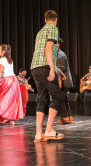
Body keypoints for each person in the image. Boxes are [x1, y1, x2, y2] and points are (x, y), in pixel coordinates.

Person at [31, 10, 66, 142]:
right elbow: (48, 50)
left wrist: (57, 70)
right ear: (55, 20)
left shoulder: (40, 32)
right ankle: (49, 130)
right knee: (57, 96)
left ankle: (38, 134)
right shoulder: (53, 29)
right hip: (45, 68)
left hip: (35, 67)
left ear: (45, 20)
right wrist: (52, 69)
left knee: (43, 99)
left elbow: (41, 54)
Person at [0, 44, 24, 125]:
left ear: (3, 51)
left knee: (3, 99)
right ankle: (10, 119)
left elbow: (0, 71)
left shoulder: (2, 59)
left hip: (7, 80)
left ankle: (5, 117)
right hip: (13, 80)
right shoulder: (10, 59)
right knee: (11, 99)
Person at [55, 38, 74, 124]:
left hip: (63, 81)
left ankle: (65, 117)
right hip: (65, 80)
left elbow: (62, 69)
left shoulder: (60, 54)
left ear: (58, 44)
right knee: (64, 99)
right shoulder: (58, 53)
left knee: (60, 99)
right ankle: (69, 116)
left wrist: (59, 81)